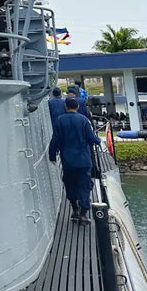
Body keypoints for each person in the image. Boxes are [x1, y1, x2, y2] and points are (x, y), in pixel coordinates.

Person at [49, 95, 101, 223]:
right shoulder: (83, 120)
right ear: (77, 106)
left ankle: (75, 210)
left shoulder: (59, 120)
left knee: (70, 184)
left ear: (65, 107)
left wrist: (52, 155)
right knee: (84, 186)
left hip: (67, 160)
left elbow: (55, 139)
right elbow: (91, 138)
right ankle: (84, 213)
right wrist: (97, 139)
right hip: (83, 160)